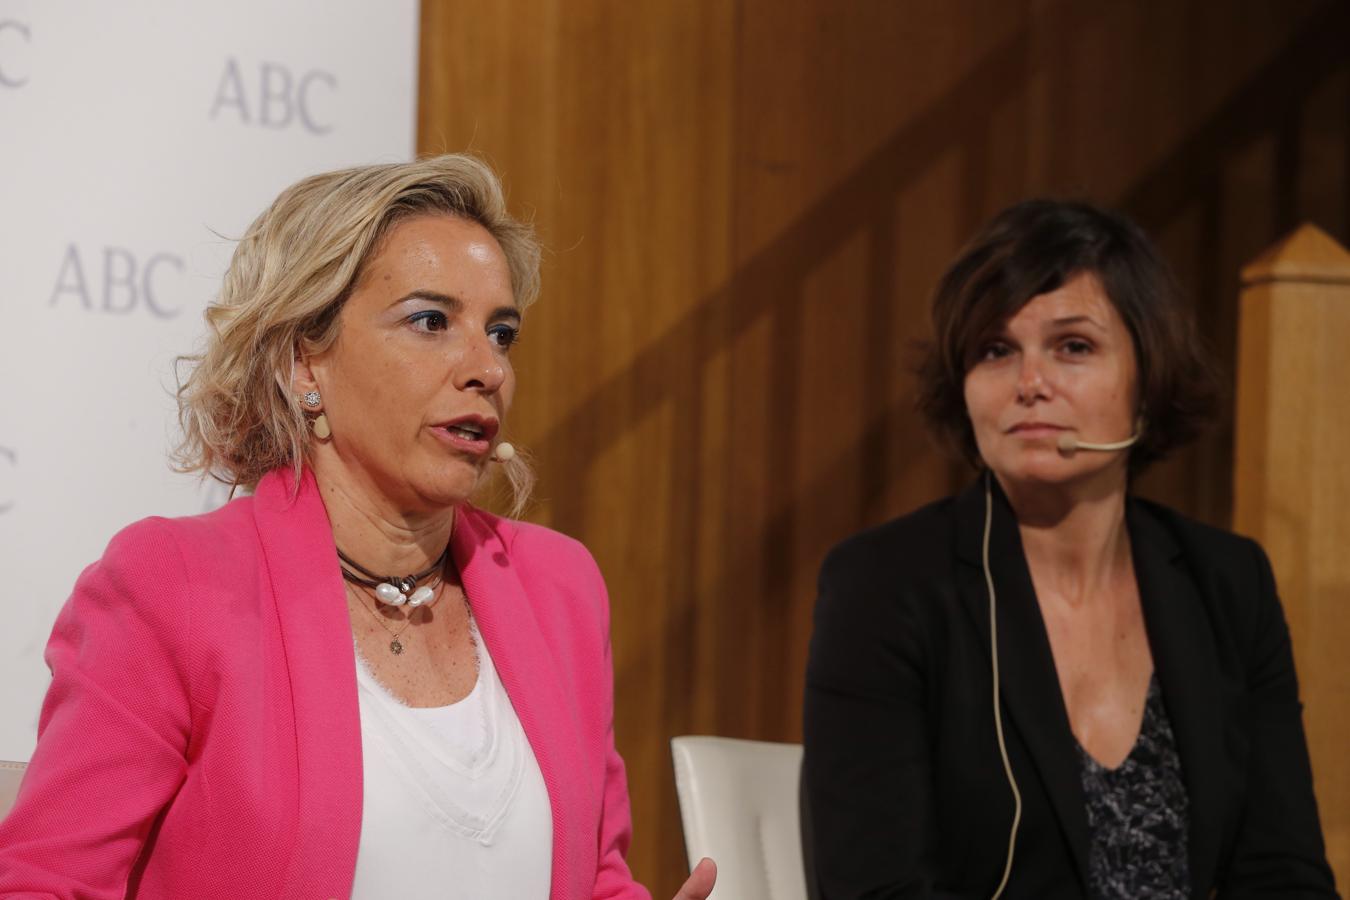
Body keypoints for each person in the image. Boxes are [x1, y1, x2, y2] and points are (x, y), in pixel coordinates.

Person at [0, 155, 716, 900]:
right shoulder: (173, 585)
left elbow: (594, 876)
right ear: (303, 361)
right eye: (431, 321)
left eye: (502, 334)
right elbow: (44, 885)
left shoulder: (559, 586)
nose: (488, 369)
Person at [802, 200, 1339, 899]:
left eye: (1074, 347)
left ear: (1149, 380)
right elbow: (878, 888)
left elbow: (1283, 874)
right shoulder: (882, 585)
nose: (1031, 384)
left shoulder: (1229, 583)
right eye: (996, 350)